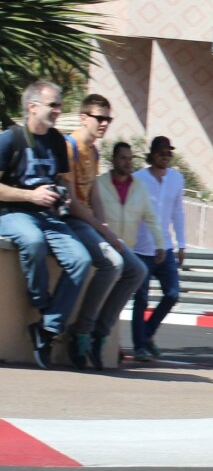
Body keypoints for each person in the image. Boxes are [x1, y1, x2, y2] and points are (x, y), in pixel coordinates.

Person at [0, 80, 92, 369]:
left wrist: (61, 194)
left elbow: (61, 180)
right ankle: (42, 303)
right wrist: (31, 195)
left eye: (59, 105)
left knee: (81, 259)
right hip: (13, 211)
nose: (57, 110)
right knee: (33, 241)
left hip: (49, 215)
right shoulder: (10, 139)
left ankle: (48, 328)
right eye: (53, 104)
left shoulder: (56, 141)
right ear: (32, 107)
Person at [62, 94, 149, 369]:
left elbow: (94, 194)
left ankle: (101, 333)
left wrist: (105, 228)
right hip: (72, 221)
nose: (104, 124)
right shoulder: (70, 147)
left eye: (108, 119)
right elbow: (72, 202)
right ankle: (81, 331)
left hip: (91, 223)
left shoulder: (95, 151)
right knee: (112, 264)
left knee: (137, 270)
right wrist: (102, 229)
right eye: (99, 118)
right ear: (83, 117)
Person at [96, 143, 166, 328]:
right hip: (103, 252)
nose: (127, 162)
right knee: (100, 298)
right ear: (113, 160)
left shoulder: (139, 187)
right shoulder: (99, 184)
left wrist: (160, 243)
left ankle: (107, 338)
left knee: (118, 301)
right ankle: (94, 335)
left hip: (127, 251)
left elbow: (151, 217)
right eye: (123, 158)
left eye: (130, 158)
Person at [130, 136, 186, 361]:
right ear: (152, 154)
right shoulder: (138, 179)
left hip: (166, 247)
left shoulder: (176, 179)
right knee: (141, 299)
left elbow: (178, 213)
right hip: (141, 248)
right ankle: (139, 346)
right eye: (161, 153)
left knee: (172, 294)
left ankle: (147, 333)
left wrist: (182, 244)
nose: (165, 157)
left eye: (169, 153)